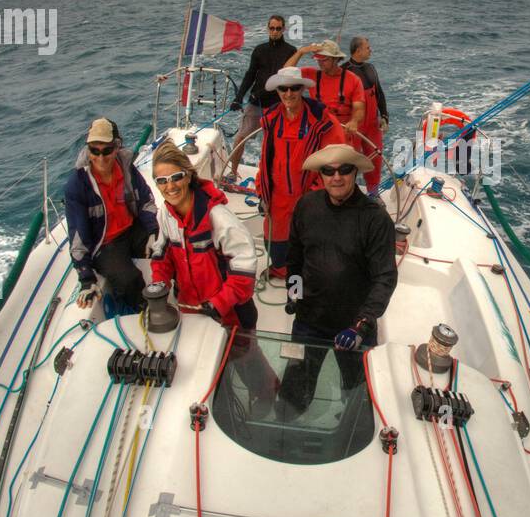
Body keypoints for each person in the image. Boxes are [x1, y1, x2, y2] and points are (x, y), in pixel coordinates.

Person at [150, 141, 276, 404]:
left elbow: (244, 275)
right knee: (210, 367)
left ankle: (268, 397)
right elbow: (161, 256)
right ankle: (224, 402)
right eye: (161, 181)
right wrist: (158, 287)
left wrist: (216, 305)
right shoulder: (166, 216)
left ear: (188, 175)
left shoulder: (218, 217)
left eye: (175, 177)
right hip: (194, 311)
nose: (169, 186)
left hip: (232, 315)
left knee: (247, 364)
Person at [278, 144, 397, 416]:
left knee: (358, 392)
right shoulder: (306, 206)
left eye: (344, 169)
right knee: (293, 391)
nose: (336, 176)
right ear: (320, 175)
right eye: (328, 171)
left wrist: (361, 324)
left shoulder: (375, 219)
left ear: (354, 172)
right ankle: (286, 424)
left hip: (353, 328)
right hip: (309, 321)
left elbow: (385, 278)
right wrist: (294, 293)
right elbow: (294, 258)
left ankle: (356, 425)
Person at [255, 66, 344, 278]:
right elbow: (265, 160)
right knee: (275, 244)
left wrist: (316, 196)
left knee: (309, 244)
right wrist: (261, 191)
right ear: (277, 91)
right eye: (283, 88)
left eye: (294, 88)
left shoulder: (322, 121)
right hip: (277, 198)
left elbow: (336, 162)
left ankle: (302, 284)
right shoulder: (271, 118)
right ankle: (281, 270)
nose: (288, 94)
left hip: (310, 196)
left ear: (302, 89)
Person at [66, 118, 159, 312]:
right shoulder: (77, 185)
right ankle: (147, 310)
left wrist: (152, 231)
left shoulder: (125, 168)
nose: (101, 157)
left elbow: (146, 200)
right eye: (94, 150)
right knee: (130, 279)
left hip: (132, 230)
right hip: (105, 245)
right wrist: (86, 277)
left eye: (107, 150)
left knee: (167, 248)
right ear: (88, 150)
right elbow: (77, 236)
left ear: (116, 147)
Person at [227, 15, 296, 183]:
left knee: (273, 143)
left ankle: (270, 177)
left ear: (283, 30)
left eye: (278, 29)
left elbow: (283, 78)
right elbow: (250, 74)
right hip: (255, 103)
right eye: (271, 28)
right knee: (240, 138)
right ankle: (232, 173)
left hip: (277, 104)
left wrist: (261, 93)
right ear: (267, 29)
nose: (274, 32)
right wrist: (238, 97)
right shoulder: (259, 50)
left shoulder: (291, 52)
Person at [284, 40, 365, 151]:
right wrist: (301, 52)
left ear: (336, 59)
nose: (320, 63)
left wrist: (354, 121)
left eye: (324, 59)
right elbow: (285, 72)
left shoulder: (353, 80)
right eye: (318, 59)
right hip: (317, 134)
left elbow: (359, 109)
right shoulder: (311, 74)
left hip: (343, 136)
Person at [341, 36, 389, 193]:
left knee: (375, 159)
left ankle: (373, 193)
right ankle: (347, 193)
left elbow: (379, 93)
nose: (370, 50)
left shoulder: (371, 68)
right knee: (349, 161)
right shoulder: (344, 71)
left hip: (373, 125)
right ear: (358, 50)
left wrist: (384, 116)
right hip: (354, 125)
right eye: (368, 47)